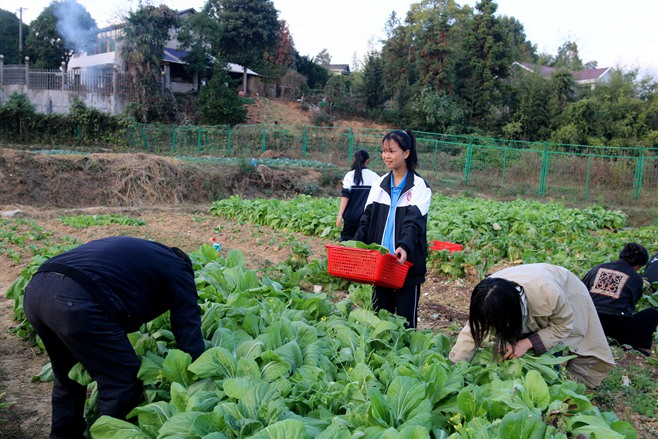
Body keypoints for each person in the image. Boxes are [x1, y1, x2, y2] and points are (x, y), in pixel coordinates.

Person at [23, 236, 205, 439]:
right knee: (121, 379)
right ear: (186, 266)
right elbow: (187, 326)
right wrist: (196, 373)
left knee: (68, 374)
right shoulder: (178, 269)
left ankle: (63, 435)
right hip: (75, 302)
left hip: (36, 291)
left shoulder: (146, 252)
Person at [449, 263, 615, 388]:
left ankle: (563, 386)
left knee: (570, 345)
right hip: (525, 293)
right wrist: (455, 368)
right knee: (521, 339)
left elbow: (562, 326)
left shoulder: (549, 293)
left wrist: (527, 343)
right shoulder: (487, 298)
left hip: (567, 292)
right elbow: (472, 332)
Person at [353, 130, 432, 329]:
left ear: (406, 153)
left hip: (405, 265)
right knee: (380, 321)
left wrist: (404, 247)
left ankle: (407, 359)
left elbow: (413, 224)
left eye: (392, 151)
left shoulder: (419, 187)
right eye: (383, 151)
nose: (386, 156)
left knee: (406, 324)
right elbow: (366, 220)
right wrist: (355, 245)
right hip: (381, 264)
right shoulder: (379, 184)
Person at [582, 242, 658, 356]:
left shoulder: (598, 268)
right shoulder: (636, 278)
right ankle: (641, 349)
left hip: (588, 325)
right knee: (652, 313)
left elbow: (581, 290)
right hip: (617, 330)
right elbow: (631, 306)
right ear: (638, 265)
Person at [335, 149, 380, 241]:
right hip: (366, 218)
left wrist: (340, 215)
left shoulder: (349, 175)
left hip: (350, 217)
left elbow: (345, 197)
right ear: (367, 161)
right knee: (363, 245)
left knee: (346, 244)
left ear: (354, 159)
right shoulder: (374, 176)